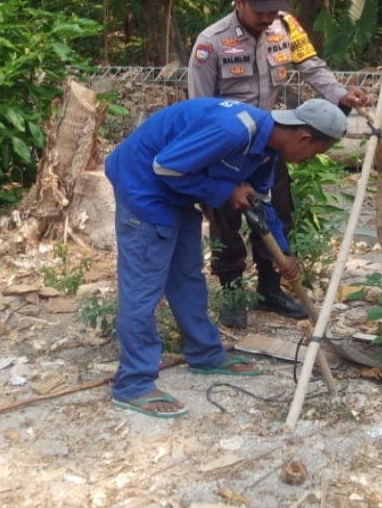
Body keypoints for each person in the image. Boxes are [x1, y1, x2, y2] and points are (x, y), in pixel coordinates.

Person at [104, 97, 349, 418]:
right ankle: (133, 384)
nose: (309, 159)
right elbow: (165, 166)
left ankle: (205, 354)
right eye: (315, 152)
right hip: (145, 188)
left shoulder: (267, 151)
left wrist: (282, 252)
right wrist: (227, 191)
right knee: (143, 289)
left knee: (187, 279)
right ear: (303, 137)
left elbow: (260, 201)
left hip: (177, 195)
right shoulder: (233, 130)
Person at [188, 0, 370, 327]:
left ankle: (270, 291)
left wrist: (339, 94)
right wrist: (210, 168)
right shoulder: (211, 43)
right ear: (238, 3)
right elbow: (199, 107)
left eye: (273, 10)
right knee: (226, 223)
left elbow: (311, 67)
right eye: (259, 11)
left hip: (269, 142)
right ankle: (232, 295)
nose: (267, 18)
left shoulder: (285, 28)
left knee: (278, 212)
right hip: (225, 148)